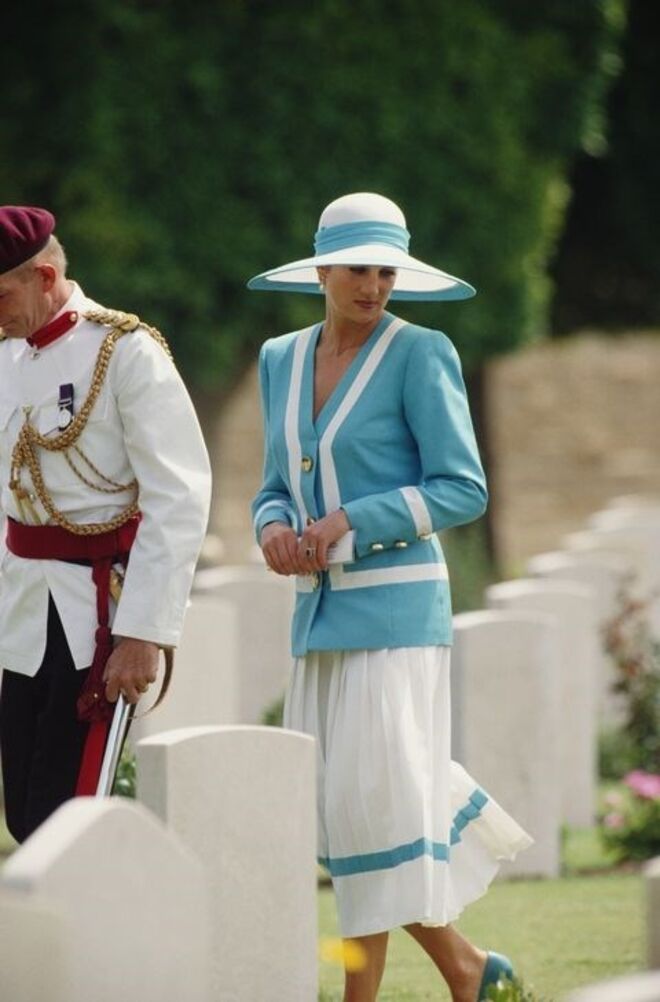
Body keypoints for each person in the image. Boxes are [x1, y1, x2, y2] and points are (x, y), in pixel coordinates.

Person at [249, 192, 533, 1002]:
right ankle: (470, 970)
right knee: (342, 817)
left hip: (401, 609)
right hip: (318, 612)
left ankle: (365, 997)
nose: (374, 285)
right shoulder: (280, 359)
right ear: (321, 270)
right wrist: (272, 527)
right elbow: (273, 482)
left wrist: (351, 521)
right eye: (358, 269)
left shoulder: (421, 352)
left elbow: (462, 487)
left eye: (387, 270)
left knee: (371, 808)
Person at [0, 205, 211, 843]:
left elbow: (179, 496)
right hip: (22, 614)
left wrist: (144, 631)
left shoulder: (125, 351)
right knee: (23, 811)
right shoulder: (8, 358)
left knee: (69, 818)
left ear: (43, 275)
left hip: (97, 614)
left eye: (2, 293)